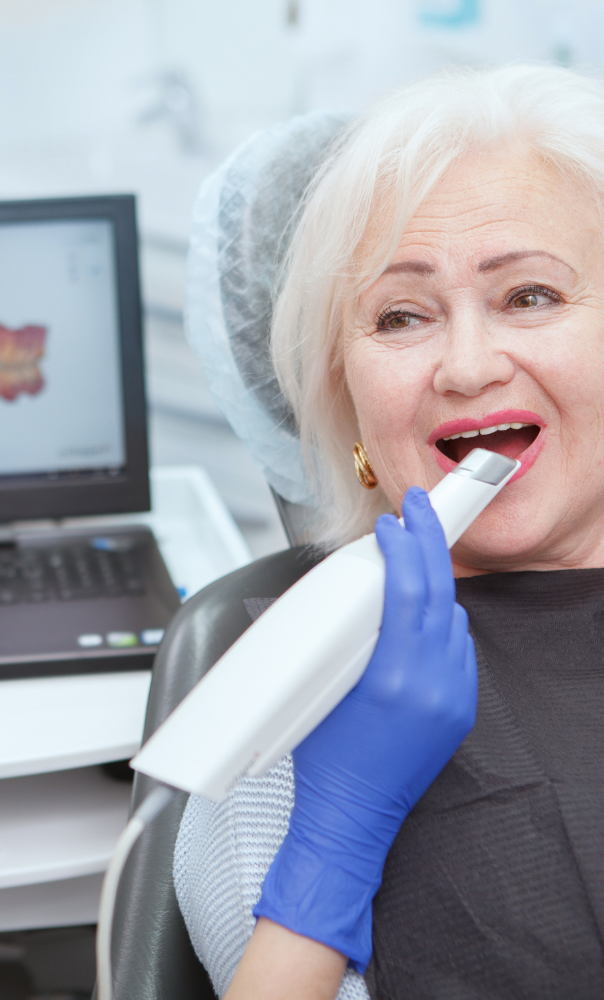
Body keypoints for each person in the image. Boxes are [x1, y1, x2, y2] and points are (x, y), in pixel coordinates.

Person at [175, 63, 604, 1000]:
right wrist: (336, 838)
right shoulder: (284, 694)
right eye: (400, 315)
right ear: (346, 405)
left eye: (530, 295)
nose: (466, 365)